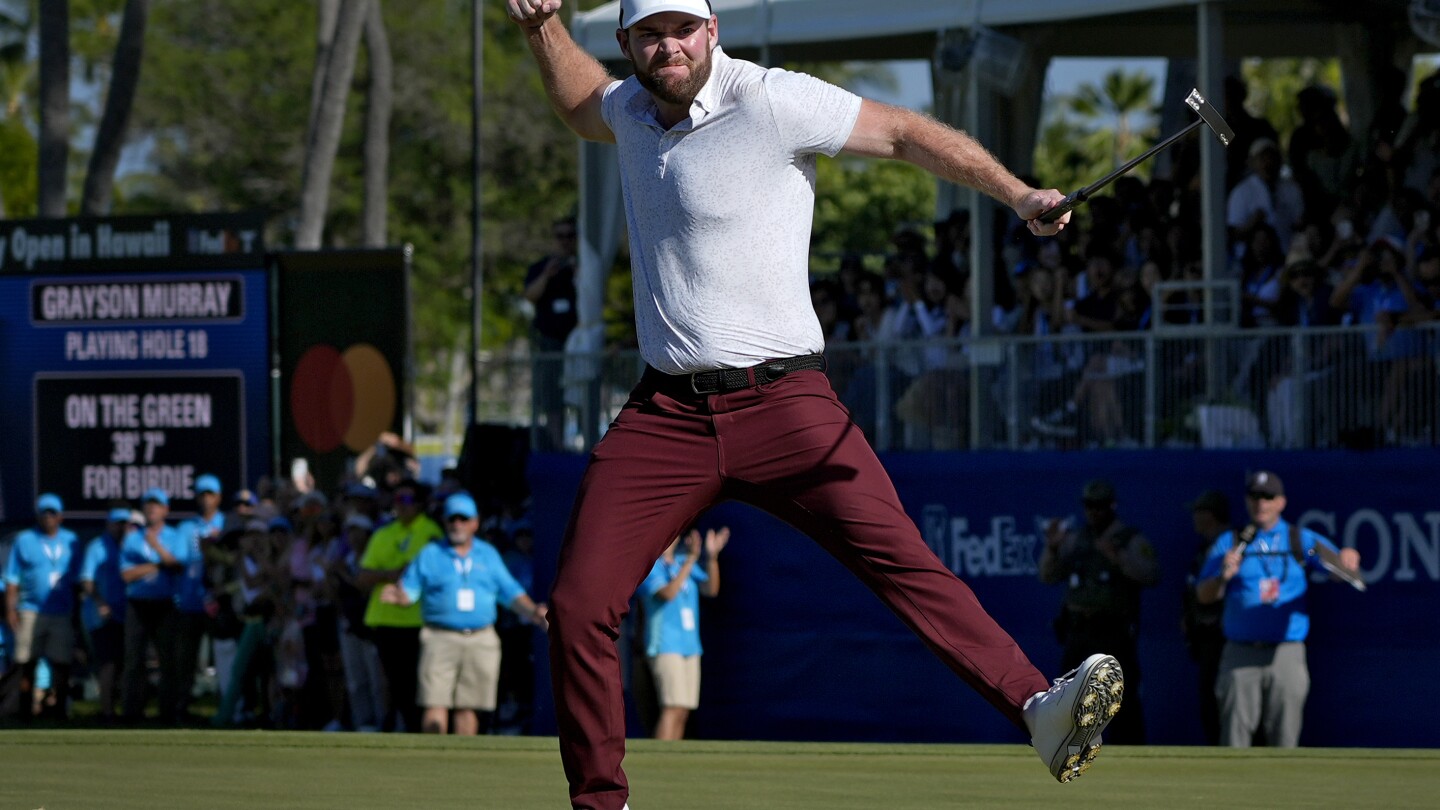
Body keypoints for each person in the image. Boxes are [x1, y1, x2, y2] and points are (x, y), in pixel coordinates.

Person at [507, 1, 1123, 805]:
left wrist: (1015, 193)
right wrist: (540, 26)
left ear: (712, 30)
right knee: (580, 603)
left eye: (683, 28)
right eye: (650, 34)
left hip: (786, 405)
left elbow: (902, 132)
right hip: (667, 415)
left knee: (905, 563)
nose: (669, 46)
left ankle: (1039, 709)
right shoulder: (628, 107)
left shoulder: (769, 100)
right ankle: (600, 803)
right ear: (627, 44)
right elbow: (580, 101)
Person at [1194, 471, 1362, 747]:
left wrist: (1347, 557)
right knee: (1234, 737)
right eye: (1255, 497)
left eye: (1268, 497)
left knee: (1285, 738)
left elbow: (1339, 570)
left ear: (1281, 502)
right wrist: (1223, 576)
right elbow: (1203, 595)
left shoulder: (1299, 539)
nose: (1261, 503)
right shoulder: (1232, 542)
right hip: (1240, 653)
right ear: (1247, 501)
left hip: (1286, 653)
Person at [379, 492, 548, 735]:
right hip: (440, 636)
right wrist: (399, 596)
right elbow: (409, 591)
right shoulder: (431, 554)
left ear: (474, 523)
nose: (457, 524)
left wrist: (533, 611)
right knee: (434, 703)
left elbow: (509, 592)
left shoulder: (487, 554)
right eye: (452, 519)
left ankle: (462, 765)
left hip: (480, 638)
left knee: (469, 707)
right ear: (445, 522)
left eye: (463, 519)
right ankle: (436, 764)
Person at [1038, 480, 1159, 744]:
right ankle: (1068, 755)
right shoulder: (1076, 539)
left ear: (1112, 506)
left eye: (1101, 506)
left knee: (1120, 701)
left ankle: (1131, 758)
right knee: (1069, 698)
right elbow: (1048, 575)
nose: (1095, 512)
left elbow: (1150, 575)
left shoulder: (1128, 539)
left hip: (1113, 633)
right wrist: (1052, 547)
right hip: (1079, 632)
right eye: (1090, 506)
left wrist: (1117, 557)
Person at [356, 480, 442, 732]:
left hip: (418, 620)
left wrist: (391, 573)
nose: (401, 506)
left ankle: (415, 730)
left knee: (417, 683)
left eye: (407, 500)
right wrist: (390, 574)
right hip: (385, 620)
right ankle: (396, 727)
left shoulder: (431, 532)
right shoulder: (383, 533)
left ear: (419, 504)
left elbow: (428, 573)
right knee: (392, 682)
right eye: (397, 500)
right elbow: (362, 577)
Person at [639, 525, 728, 740]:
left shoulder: (681, 563)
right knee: (671, 706)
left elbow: (711, 588)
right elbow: (667, 594)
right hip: (665, 645)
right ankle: (659, 759)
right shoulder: (650, 568)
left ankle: (671, 760)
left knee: (683, 710)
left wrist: (711, 558)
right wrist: (690, 561)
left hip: (690, 646)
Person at [3, 493, 82, 720]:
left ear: (60, 517)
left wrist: (75, 613)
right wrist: (11, 609)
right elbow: (12, 579)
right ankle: (24, 709)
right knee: (26, 662)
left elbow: (76, 581)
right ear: (38, 515)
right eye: (44, 512)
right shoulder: (25, 540)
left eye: (53, 513)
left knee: (62, 663)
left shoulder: (71, 540)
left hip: (61, 611)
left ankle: (59, 711)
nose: (48, 517)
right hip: (30, 609)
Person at [119, 488, 188, 723]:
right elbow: (127, 575)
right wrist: (157, 566)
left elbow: (178, 565)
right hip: (138, 604)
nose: (151, 508)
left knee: (168, 660)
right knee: (134, 660)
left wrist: (156, 546)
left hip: (164, 604)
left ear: (166, 510)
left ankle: (167, 713)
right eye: (148, 504)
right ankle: (132, 712)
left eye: (157, 504)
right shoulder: (132, 537)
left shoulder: (174, 535)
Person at [524, 216, 581, 450]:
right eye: (561, 236)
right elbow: (529, 295)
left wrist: (579, 273)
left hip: (578, 342)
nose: (565, 241)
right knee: (552, 398)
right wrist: (547, 275)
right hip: (550, 344)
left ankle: (583, 440)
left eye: (570, 235)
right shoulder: (541, 267)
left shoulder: (583, 266)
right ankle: (557, 444)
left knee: (580, 392)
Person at [174, 474, 226, 721]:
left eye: (211, 494)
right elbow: (180, 560)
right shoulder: (186, 528)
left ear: (218, 498)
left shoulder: (226, 523)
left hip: (218, 602)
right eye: (202, 494)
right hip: (190, 602)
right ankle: (181, 706)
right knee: (185, 660)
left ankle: (226, 708)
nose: (206, 499)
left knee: (224, 657)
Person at [1181, 490, 1231, 745]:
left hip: (1224, 638)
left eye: (1198, 512)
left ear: (1210, 515)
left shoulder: (1231, 547)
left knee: (1225, 705)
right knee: (1209, 706)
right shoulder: (1205, 550)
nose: (1194, 518)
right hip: (1205, 638)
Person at [80, 506, 134, 723]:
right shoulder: (97, 547)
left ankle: (124, 710)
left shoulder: (131, 545)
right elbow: (87, 580)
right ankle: (107, 712)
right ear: (108, 524)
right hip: (101, 616)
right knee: (108, 663)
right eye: (117, 523)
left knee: (124, 663)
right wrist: (100, 602)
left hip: (127, 614)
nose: (121, 527)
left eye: (124, 523)